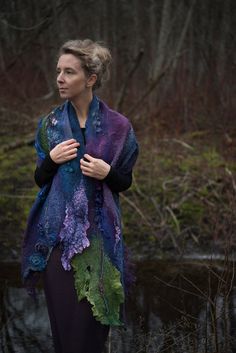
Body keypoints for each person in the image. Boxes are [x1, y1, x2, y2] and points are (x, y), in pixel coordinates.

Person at [21, 39, 139, 353]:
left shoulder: (119, 127)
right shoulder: (50, 125)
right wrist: (51, 160)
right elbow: (39, 180)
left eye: (69, 72)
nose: (59, 78)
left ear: (90, 79)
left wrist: (107, 173)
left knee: (91, 334)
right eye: (58, 70)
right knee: (65, 334)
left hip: (99, 242)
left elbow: (124, 181)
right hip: (58, 243)